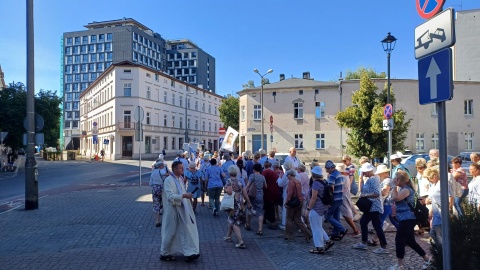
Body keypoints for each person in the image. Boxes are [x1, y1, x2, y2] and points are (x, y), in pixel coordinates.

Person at [389, 171, 431, 270]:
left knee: (399, 240)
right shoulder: (403, 189)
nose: (394, 180)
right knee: (410, 241)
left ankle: (399, 265)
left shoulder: (407, 190)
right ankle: (427, 259)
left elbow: (396, 198)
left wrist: (394, 187)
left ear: (401, 180)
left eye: (396, 178)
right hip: (405, 218)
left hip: (408, 218)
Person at [160, 161, 200, 262]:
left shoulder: (180, 179)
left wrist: (186, 195)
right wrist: (183, 196)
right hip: (172, 210)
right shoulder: (169, 180)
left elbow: (182, 192)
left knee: (185, 230)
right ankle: (165, 253)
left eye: (183, 168)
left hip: (182, 209)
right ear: (174, 169)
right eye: (180, 168)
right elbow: (170, 196)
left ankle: (189, 252)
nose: (182, 169)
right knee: (170, 232)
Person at [352, 162, 388, 254]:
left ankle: (383, 247)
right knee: (364, 222)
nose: (362, 174)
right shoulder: (372, 178)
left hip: (374, 207)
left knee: (377, 226)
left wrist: (365, 195)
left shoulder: (373, 179)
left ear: (368, 171)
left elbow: (377, 193)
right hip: (371, 207)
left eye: (364, 172)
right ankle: (364, 243)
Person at [306, 166, 335, 254]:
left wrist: (308, 209)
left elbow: (314, 198)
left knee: (315, 228)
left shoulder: (315, 184)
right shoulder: (324, 182)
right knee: (318, 226)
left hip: (316, 208)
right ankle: (328, 240)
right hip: (323, 207)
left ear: (313, 174)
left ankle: (319, 247)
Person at [224, 165, 252, 249]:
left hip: (232, 204)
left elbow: (229, 192)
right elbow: (245, 193)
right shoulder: (240, 181)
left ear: (229, 172)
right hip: (240, 203)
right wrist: (249, 203)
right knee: (232, 219)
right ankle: (228, 236)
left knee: (234, 222)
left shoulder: (229, 181)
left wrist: (225, 189)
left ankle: (240, 241)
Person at [284, 169, 312, 241]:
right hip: (300, 201)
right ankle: (308, 233)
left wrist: (286, 201)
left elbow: (290, 193)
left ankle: (288, 235)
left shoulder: (291, 182)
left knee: (289, 218)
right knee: (298, 219)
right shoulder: (298, 182)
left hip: (293, 202)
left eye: (287, 175)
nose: (287, 176)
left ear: (290, 175)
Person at [324, 160, 348, 241]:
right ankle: (335, 233)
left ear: (330, 168)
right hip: (340, 198)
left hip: (334, 199)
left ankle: (342, 229)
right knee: (336, 216)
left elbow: (331, 189)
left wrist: (329, 200)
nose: (326, 170)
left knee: (328, 216)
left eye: (327, 169)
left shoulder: (333, 176)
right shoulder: (339, 174)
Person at [336, 163, 360, 237]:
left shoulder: (341, 177)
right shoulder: (346, 176)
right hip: (345, 195)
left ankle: (356, 230)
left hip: (342, 196)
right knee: (346, 213)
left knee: (346, 215)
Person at [245, 163, 267, 235]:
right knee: (260, 212)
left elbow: (248, 185)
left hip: (252, 195)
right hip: (260, 196)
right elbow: (265, 186)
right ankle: (260, 229)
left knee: (249, 209)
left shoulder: (252, 176)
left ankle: (248, 224)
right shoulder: (262, 177)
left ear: (254, 169)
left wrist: (244, 192)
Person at [149, 160, 170, 227]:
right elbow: (167, 174)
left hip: (155, 189)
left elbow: (150, 183)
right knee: (164, 201)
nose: (164, 166)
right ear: (160, 166)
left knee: (156, 203)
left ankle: (157, 220)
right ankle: (165, 219)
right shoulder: (161, 171)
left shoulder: (153, 172)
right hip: (162, 188)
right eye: (163, 165)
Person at [262, 161, 280, 229]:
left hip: (268, 191)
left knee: (269, 206)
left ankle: (272, 222)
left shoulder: (265, 172)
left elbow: (263, 182)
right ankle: (265, 218)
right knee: (270, 206)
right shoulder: (274, 173)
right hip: (275, 191)